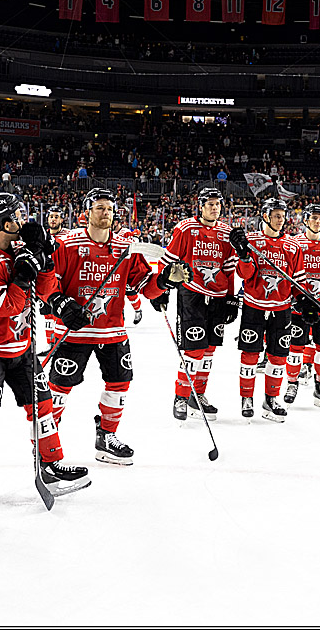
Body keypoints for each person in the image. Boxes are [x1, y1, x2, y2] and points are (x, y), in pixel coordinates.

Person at [40, 188, 191, 465]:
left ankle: (106, 438)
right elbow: (47, 282)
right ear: (86, 212)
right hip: (76, 332)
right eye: (99, 208)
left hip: (112, 332)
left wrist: (167, 280)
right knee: (59, 387)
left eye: (109, 208)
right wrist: (58, 303)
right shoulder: (67, 245)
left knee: (120, 382)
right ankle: (47, 444)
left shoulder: (125, 248)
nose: (105, 213)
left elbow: (146, 287)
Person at [0, 192, 89, 498]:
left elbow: (43, 290)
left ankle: (51, 463)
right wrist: (20, 278)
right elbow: (1, 307)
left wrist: (43, 264)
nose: (24, 220)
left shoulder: (20, 247)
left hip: (22, 348)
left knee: (42, 406)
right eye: (17, 216)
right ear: (2, 223)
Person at [155, 187, 238, 422]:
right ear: (200, 206)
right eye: (210, 203)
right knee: (193, 350)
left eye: (218, 204)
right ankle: (180, 396)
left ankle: (197, 394)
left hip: (219, 297)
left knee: (209, 350)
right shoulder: (185, 229)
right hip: (192, 294)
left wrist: (231, 298)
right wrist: (163, 289)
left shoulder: (226, 233)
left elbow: (230, 269)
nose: (214, 208)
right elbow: (168, 262)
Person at [228, 198, 305, 422]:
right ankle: (247, 397)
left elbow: (298, 279)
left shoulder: (292, 245)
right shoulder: (251, 241)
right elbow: (244, 275)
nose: (281, 220)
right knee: (250, 355)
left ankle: (271, 399)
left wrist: (303, 302)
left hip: (282, 309)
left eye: (283, 216)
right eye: (276, 216)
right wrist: (243, 255)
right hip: (254, 306)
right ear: (265, 216)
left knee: (279, 356)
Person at [282, 204, 320, 410]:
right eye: (314, 218)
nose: (317, 222)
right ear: (305, 220)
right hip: (298, 308)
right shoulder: (294, 244)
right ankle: (291, 384)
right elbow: (287, 274)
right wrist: (296, 299)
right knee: (295, 348)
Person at [39, 204, 69, 357]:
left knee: (60, 313)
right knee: (47, 314)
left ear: (61, 219)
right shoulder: (43, 236)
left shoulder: (68, 236)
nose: (53, 219)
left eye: (56, 217)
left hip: (63, 282)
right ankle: (51, 344)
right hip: (46, 282)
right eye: (51, 217)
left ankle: (61, 344)